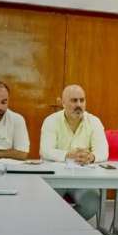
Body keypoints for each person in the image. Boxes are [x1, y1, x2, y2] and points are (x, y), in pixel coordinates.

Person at [39, 84, 109, 221]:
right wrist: (67, 155)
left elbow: (103, 151)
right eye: (74, 100)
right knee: (47, 203)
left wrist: (91, 156)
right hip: (56, 178)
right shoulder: (51, 121)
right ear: (63, 103)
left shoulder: (94, 121)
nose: (79, 105)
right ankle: (57, 227)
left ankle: (66, 227)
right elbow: (45, 150)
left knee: (91, 204)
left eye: (82, 100)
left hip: (83, 178)